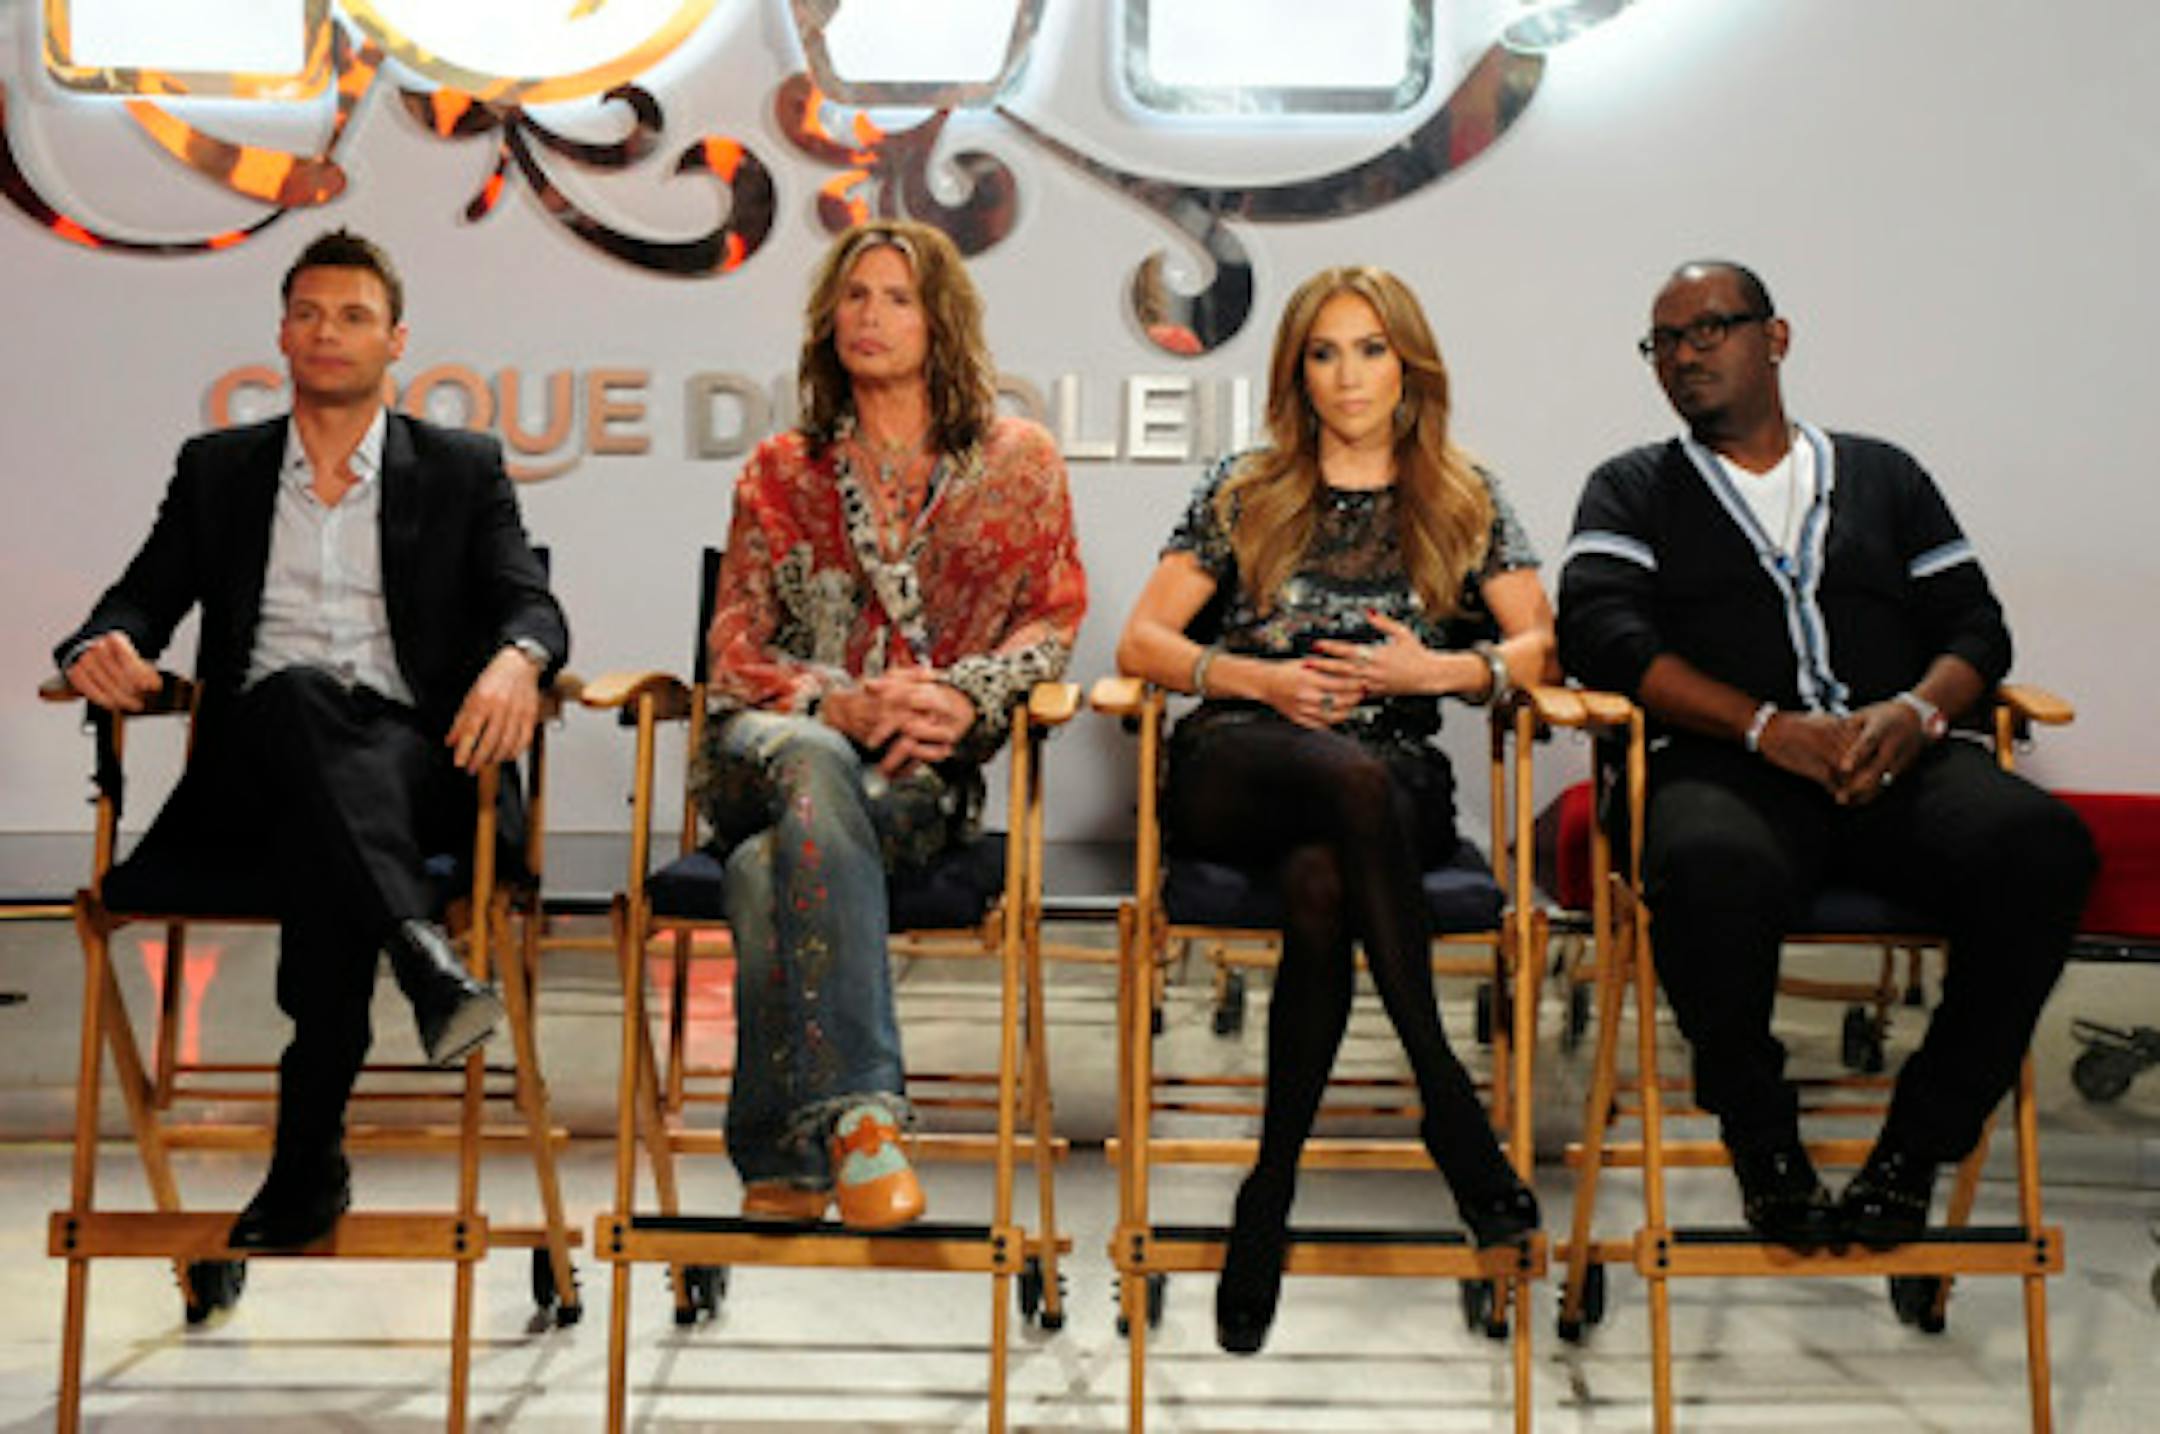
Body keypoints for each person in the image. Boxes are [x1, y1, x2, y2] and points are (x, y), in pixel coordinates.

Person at [1558, 260, 2095, 1251]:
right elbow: (1603, 638)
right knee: (1706, 867)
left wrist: (1918, 713)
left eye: (1709, 328)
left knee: (2042, 847)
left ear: (1777, 337)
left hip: (1901, 765)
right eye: (1664, 341)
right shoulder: (1634, 487)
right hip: (1729, 769)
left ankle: (1916, 1149)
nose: (1684, 355)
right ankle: (1763, 1141)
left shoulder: (1884, 473)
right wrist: (1766, 727)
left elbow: (1977, 627)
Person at [53, 229, 568, 1251]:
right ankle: (418, 952)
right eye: (308, 314)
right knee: (291, 703)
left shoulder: (461, 469)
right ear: (281, 334)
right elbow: (140, 596)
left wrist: (516, 657)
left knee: (331, 823)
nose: (328, 333)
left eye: (354, 316)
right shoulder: (221, 471)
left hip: (413, 768)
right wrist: (100, 641)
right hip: (255, 770)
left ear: (396, 341)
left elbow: (530, 604)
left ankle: (307, 1163)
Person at [1114, 265, 1548, 1355]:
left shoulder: (1463, 494)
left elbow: (1542, 647)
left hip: (1388, 769)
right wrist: (1263, 682)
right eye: (1324, 351)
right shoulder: (1246, 484)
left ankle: (1267, 1196)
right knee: (1338, 787)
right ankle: (1449, 1102)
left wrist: (1433, 678)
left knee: (1324, 880)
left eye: (1369, 349)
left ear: (1408, 363)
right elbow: (1142, 643)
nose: (1348, 375)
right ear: (1296, 372)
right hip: (1242, 760)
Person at [699, 219, 1085, 1231]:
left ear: (941, 321)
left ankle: (782, 1153)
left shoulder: (1018, 463)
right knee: (815, 754)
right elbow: (733, 650)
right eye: (853, 295)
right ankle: (866, 1115)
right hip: (766, 747)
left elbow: (1054, 622)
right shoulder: (782, 469)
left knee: (759, 873)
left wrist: (966, 695)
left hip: (914, 776)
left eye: (896, 297)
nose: (869, 315)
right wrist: (839, 701)